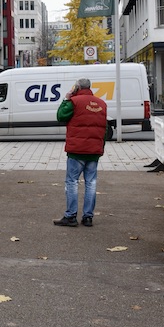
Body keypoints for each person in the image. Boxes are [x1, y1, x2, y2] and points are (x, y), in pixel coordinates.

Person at [54, 77, 107, 227]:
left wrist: (66, 99)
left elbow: (60, 116)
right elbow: (105, 128)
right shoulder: (102, 104)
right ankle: (88, 217)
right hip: (94, 151)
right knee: (91, 183)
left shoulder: (74, 102)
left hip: (76, 151)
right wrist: (100, 147)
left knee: (72, 182)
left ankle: (70, 216)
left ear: (76, 88)